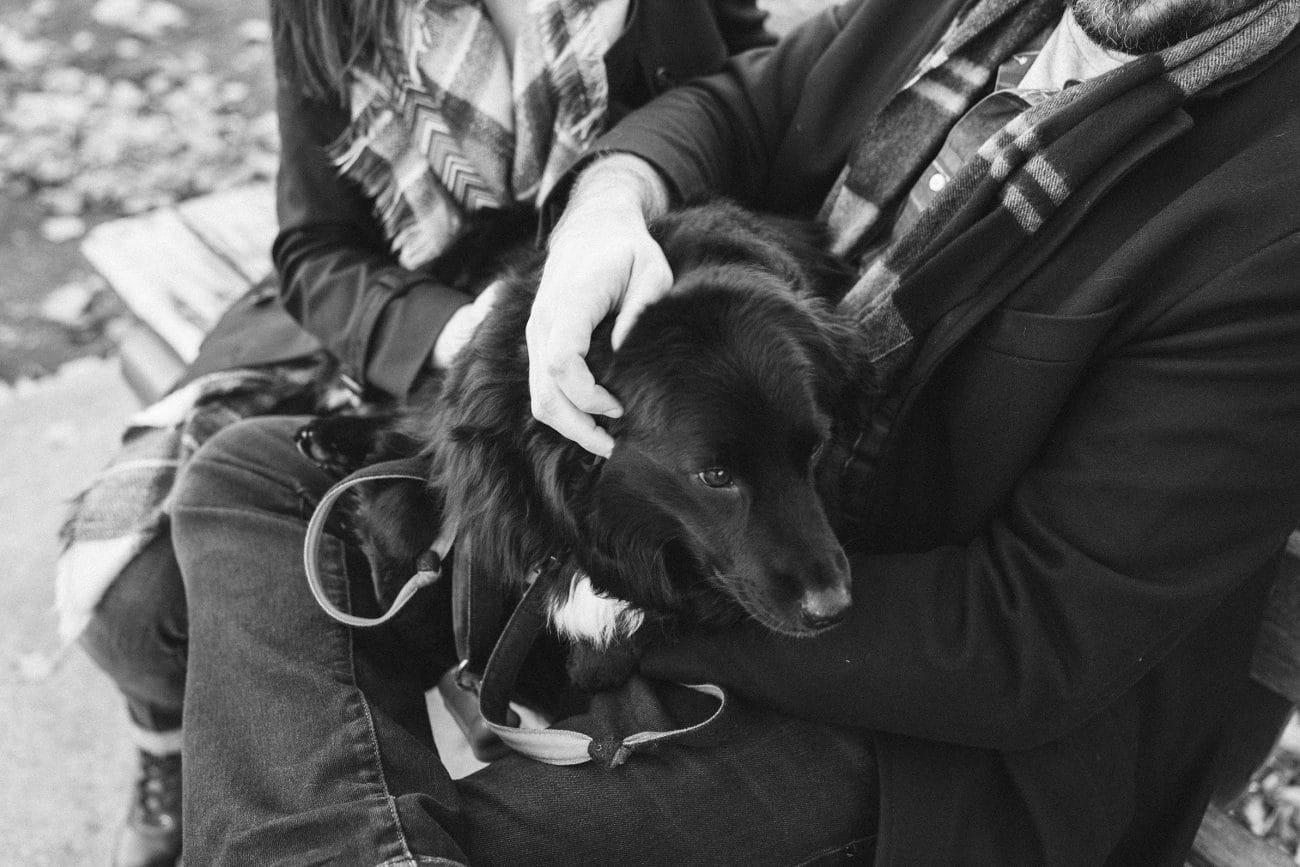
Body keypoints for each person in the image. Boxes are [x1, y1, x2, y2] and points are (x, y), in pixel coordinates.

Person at [174, 0, 1300, 863]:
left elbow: (1029, 646)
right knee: (252, 481)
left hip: (927, 736)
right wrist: (609, 202)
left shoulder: (1270, 213)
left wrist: (622, 613)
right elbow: (740, 106)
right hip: (702, 521)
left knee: (413, 820)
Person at [73, 1, 773, 864]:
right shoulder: (332, 12)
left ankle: (317, 782)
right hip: (421, 322)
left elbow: (750, 92)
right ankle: (173, 741)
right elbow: (315, 249)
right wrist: (457, 332)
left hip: (627, 345)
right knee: (136, 605)